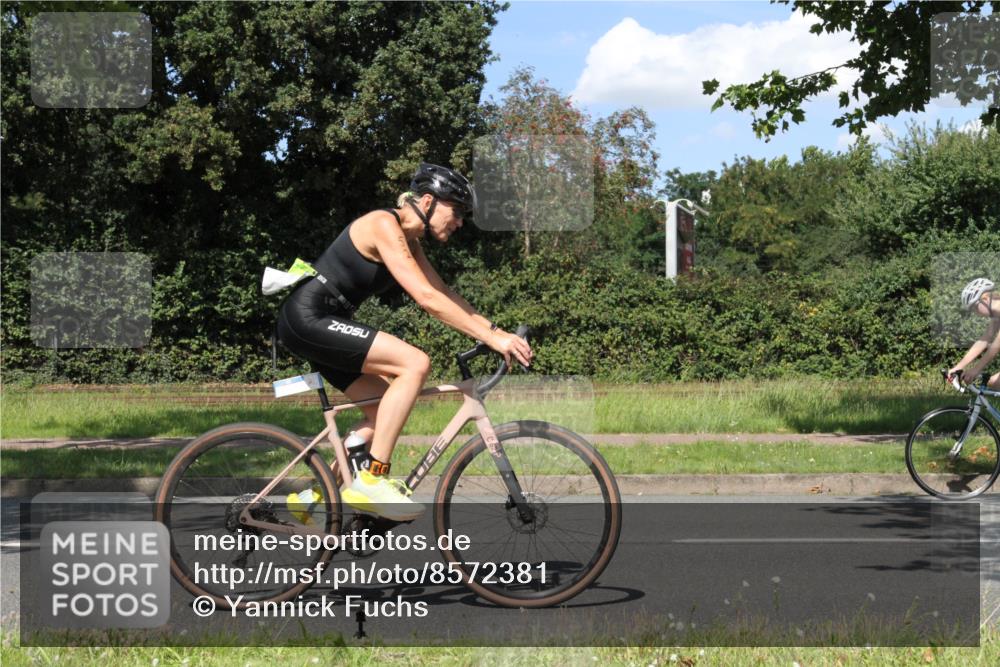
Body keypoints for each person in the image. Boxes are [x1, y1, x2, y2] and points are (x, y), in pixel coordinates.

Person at [275, 163, 533, 522]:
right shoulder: (384, 224)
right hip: (308, 317)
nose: (459, 222)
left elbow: (442, 292)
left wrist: (495, 332)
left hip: (325, 322)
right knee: (415, 363)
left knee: (382, 410)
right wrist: (489, 337)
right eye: (456, 211)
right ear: (428, 201)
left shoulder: (410, 241)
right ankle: (372, 478)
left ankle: (311, 497)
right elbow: (426, 298)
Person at [948, 278, 1000, 388]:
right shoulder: (996, 317)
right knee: (993, 383)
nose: (976, 313)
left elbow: (996, 345)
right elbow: (983, 340)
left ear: (985, 299)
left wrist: (976, 369)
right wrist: (958, 367)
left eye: (975, 308)